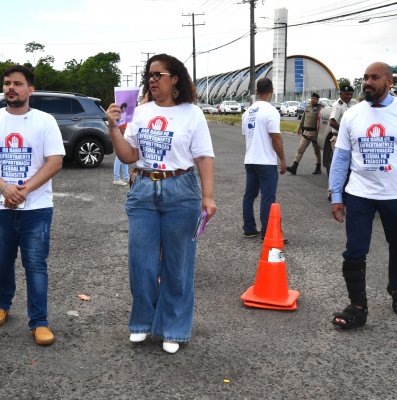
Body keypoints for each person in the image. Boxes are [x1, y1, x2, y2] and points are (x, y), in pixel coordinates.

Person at [106, 54, 217, 354]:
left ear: (175, 78)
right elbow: (128, 157)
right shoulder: (140, 113)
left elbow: (204, 157)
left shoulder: (192, 114)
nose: (152, 80)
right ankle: (142, 322)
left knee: (178, 265)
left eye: (159, 74)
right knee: (141, 263)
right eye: (149, 75)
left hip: (181, 190)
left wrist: (208, 196)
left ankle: (174, 328)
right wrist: (113, 128)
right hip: (143, 189)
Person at [330, 62, 397, 329]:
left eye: (374, 78)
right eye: (366, 78)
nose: (368, 82)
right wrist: (337, 194)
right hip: (359, 193)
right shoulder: (353, 115)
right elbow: (342, 157)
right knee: (355, 251)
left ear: (389, 82)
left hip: (396, 194)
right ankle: (357, 307)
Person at [0, 65, 65, 345]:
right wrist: (5, 188)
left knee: (35, 264)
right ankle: (3, 305)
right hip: (1, 206)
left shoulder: (45, 121)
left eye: (17, 83)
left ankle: (39, 322)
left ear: (30, 90)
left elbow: (55, 161)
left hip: (37, 207)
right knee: (2, 261)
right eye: (6, 83)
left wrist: (24, 190)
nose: (10, 88)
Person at [241, 78, 286, 240]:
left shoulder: (247, 113)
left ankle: (249, 228)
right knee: (268, 197)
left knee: (249, 196)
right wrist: (282, 159)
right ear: (271, 91)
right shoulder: (271, 111)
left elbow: (246, 137)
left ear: (257, 91)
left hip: (250, 160)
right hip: (266, 161)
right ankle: (267, 232)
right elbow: (275, 137)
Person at [327, 85, 354, 200]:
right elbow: (332, 122)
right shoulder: (338, 105)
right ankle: (331, 192)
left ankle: (343, 191)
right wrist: (345, 129)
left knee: (346, 167)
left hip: (345, 138)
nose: (348, 96)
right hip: (337, 137)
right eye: (346, 94)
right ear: (341, 94)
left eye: (350, 94)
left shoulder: (350, 104)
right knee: (338, 167)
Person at [286, 93, 324, 175]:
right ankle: (294, 167)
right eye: (312, 98)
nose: (312, 100)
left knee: (317, 151)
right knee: (300, 149)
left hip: (315, 134)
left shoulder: (321, 109)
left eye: (314, 98)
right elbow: (303, 119)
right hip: (306, 133)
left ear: (318, 99)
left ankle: (318, 167)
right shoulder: (307, 108)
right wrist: (299, 128)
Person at [113, 116, 130, 186]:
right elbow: (122, 128)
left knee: (124, 157)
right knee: (119, 158)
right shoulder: (123, 115)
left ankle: (126, 177)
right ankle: (117, 178)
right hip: (122, 138)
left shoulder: (124, 114)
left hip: (121, 137)